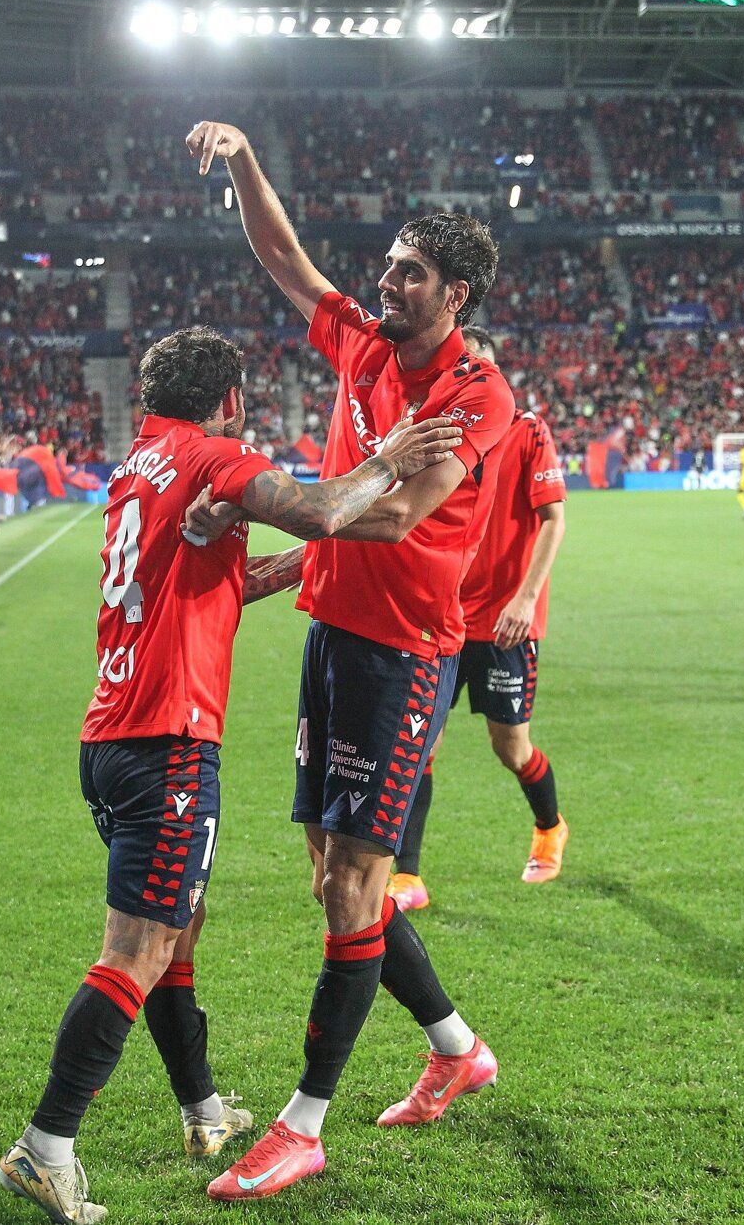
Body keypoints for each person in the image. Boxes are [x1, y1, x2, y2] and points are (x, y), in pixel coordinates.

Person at [0, 327, 463, 1225]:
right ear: (233, 401)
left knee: (178, 930)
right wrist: (389, 456)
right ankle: (45, 1149)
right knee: (135, 951)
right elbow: (324, 509)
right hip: (169, 737)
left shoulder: (138, 463)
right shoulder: (218, 453)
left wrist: (277, 572)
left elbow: (181, 581)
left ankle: (203, 1113)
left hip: (109, 735)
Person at [183, 119, 509, 1203]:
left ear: (455, 291)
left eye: (411, 275)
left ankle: (303, 1123)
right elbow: (286, 260)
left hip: (406, 655)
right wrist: (243, 163)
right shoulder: (366, 344)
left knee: (359, 884)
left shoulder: (476, 394)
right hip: (333, 637)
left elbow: (404, 511)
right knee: (335, 879)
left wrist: (311, 506)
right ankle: (458, 1048)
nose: (388, 286)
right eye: (387, 269)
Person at [390, 324, 569, 912]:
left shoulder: (525, 431)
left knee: (510, 747)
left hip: (506, 622)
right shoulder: (437, 435)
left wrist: (525, 598)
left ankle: (549, 828)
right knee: (421, 744)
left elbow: (553, 519)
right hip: (443, 617)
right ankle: (406, 876)